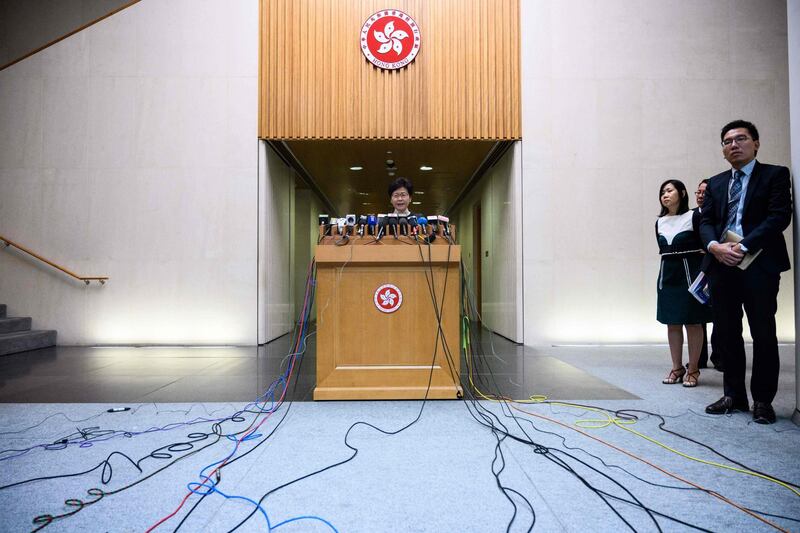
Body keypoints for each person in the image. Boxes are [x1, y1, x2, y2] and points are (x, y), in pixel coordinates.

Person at [700, 120, 792, 424]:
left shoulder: (775, 175)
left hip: (759, 264)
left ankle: (763, 400)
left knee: (763, 332)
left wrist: (744, 246)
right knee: (727, 332)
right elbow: (705, 221)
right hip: (721, 265)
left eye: (741, 139)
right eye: (727, 141)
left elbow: (779, 216)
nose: (734, 145)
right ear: (723, 149)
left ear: (756, 143)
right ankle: (734, 396)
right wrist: (715, 246)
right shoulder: (714, 183)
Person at [656, 179, 712, 388]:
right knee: (672, 322)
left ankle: (694, 368)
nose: (665, 195)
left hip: (691, 274)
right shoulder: (659, 222)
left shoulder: (694, 216)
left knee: (693, 322)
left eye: (669, 190)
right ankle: (677, 367)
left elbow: (706, 243)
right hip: (667, 276)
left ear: (682, 192)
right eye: (662, 192)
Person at [693, 179, 723, 372]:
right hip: (696, 269)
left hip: (716, 265)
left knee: (720, 315)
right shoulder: (690, 216)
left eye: (705, 192)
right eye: (698, 192)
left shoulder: (719, 216)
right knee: (699, 316)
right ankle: (699, 358)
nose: (701, 195)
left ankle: (719, 357)